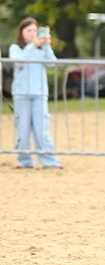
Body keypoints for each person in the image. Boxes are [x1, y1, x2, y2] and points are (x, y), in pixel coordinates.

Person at [9, 17, 64, 170]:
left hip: (39, 94)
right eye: (29, 31)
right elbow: (19, 62)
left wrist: (46, 46)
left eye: (35, 30)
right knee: (23, 129)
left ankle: (49, 160)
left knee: (42, 129)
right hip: (22, 94)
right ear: (21, 32)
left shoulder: (41, 49)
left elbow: (52, 63)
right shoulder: (16, 48)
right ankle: (24, 160)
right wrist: (32, 45)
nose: (32, 33)